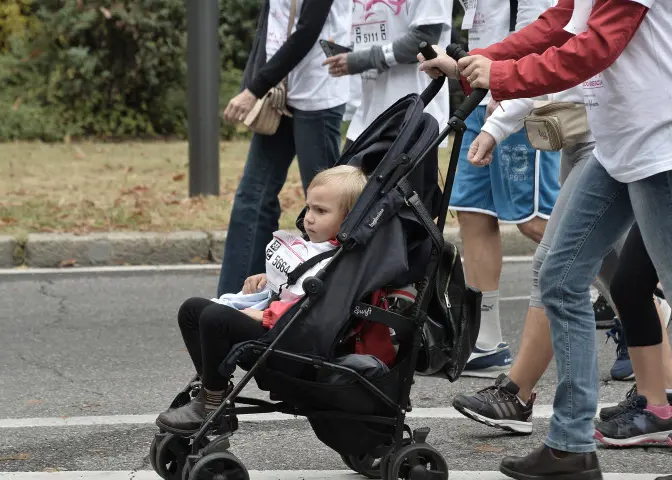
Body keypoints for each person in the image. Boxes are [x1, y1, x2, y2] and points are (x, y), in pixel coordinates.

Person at [420, 0, 672, 480]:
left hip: (669, 143)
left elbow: (597, 46)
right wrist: (477, 62)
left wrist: (503, 72)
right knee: (561, 278)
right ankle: (570, 447)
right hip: (620, 144)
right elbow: (560, 24)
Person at [156, 165, 395, 434]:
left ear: (349, 218)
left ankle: (212, 405)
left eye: (321, 211)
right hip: (280, 330)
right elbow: (298, 284)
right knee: (192, 310)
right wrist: (269, 282)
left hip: (296, 346)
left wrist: (265, 315)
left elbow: (320, 312)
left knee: (214, 318)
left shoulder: (344, 264)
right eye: (309, 208)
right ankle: (212, 390)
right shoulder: (316, 247)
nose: (309, 218)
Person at [444, 0, 562, 378]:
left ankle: (637, 296)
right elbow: (490, 32)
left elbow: (543, 37)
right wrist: (457, 67)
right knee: (473, 213)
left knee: (535, 221)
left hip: (520, 98)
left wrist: (508, 92)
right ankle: (484, 342)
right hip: (482, 95)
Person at [217, 0, 352, 297]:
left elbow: (307, 31)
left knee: (325, 208)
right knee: (252, 199)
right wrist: (256, 83)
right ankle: (234, 301)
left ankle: (328, 302)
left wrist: (254, 89)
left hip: (318, 95)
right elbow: (268, 25)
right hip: (279, 94)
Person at [323, 0, 453, 149]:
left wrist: (359, 60)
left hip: (411, 117)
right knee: (345, 171)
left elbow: (423, 41)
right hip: (366, 117)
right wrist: (345, 55)